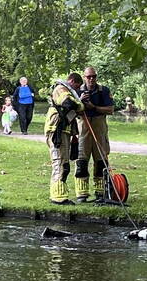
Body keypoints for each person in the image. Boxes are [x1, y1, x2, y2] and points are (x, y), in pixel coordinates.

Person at [74, 67, 115, 202]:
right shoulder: (77, 91)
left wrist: (94, 107)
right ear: (84, 77)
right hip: (83, 126)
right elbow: (71, 110)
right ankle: (82, 193)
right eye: (88, 76)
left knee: (101, 160)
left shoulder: (104, 90)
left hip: (99, 126)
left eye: (94, 76)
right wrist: (80, 101)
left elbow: (110, 109)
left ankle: (100, 192)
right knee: (81, 160)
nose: (91, 79)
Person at [45, 72, 84, 204]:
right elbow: (68, 103)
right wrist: (80, 105)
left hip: (63, 131)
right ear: (72, 81)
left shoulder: (66, 90)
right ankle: (58, 198)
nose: (77, 89)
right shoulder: (61, 89)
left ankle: (60, 194)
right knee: (60, 163)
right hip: (56, 131)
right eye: (77, 86)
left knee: (64, 163)